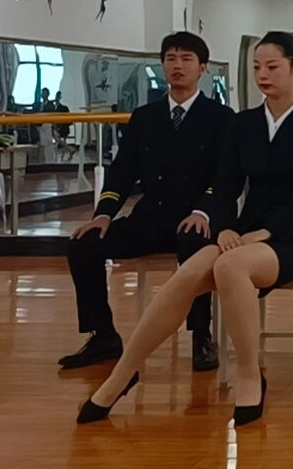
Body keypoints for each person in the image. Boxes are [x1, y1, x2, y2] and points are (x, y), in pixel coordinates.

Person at [77, 32, 293, 426]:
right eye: (256, 68)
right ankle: (122, 374)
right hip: (242, 234)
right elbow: (225, 185)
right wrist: (225, 227)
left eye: (272, 67)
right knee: (188, 272)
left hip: (290, 239)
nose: (262, 75)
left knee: (230, 267)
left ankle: (249, 377)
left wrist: (266, 233)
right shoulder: (244, 124)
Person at [61, 31, 232, 373]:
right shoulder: (145, 117)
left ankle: (201, 336)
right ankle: (103, 335)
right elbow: (122, 173)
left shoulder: (222, 118)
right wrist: (104, 214)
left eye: (186, 59)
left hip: (199, 218)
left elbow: (227, 178)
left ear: (202, 68)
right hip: (151, 219)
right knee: (83, 244)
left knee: (195, 243)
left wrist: (203, 211)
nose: (177, 65)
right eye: (170, 59)